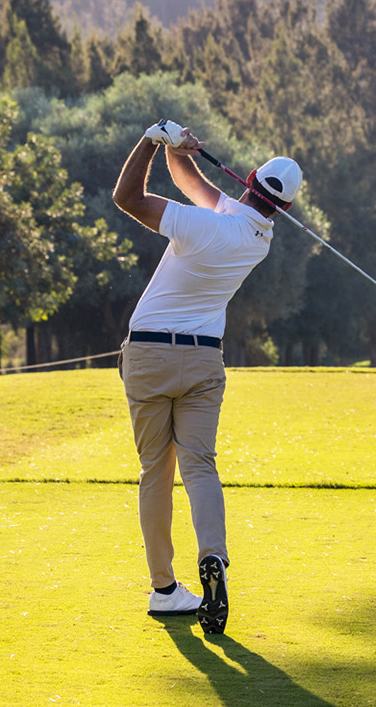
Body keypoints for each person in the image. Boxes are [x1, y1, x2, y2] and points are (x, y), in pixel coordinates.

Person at [110, 118, 303, 635]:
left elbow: (127, 196)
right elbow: (193, 184)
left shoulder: (207, 224)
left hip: (150, 355)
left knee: (156, 470)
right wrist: (181, 150)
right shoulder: (257, 235)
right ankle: (213, 557)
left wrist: (150, 140)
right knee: (200, 466)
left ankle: (165, 590)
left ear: (250, 177)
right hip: (203, 361)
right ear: (284, 208)